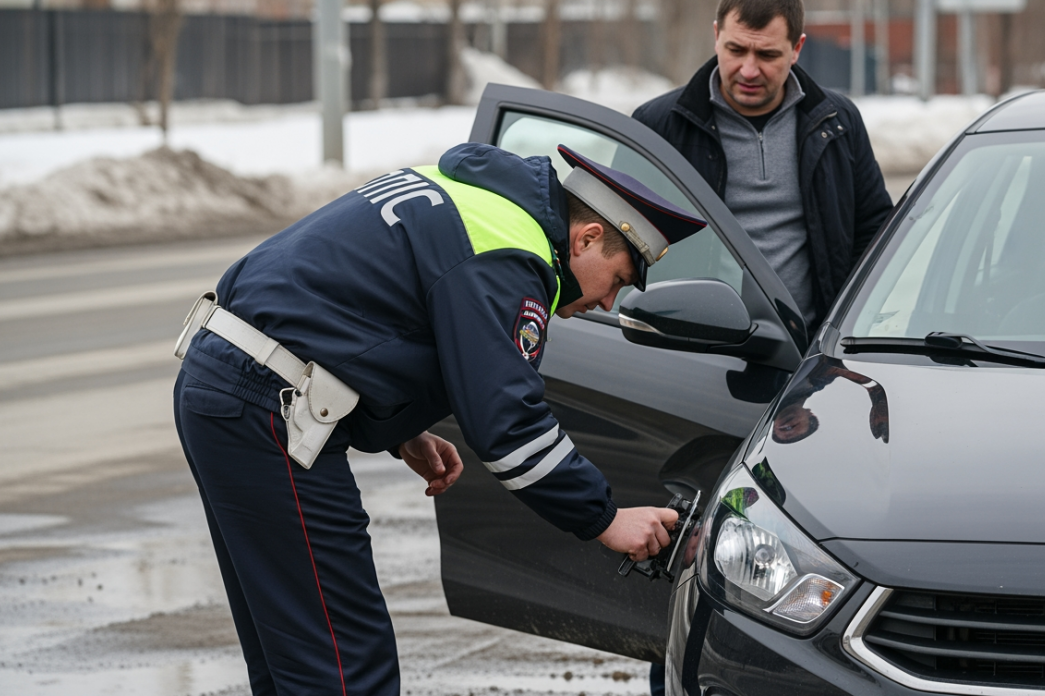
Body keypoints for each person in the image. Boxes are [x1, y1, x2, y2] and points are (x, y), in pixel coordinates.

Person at [171, 142, 706, 696]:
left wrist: (401, 429)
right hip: (265, 407)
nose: (609, 302)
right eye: (617, 279)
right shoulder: (511, 249)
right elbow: (509, 424)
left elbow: (362, 306)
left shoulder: (477, 199)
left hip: (228, 382)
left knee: (294, 658)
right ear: (587, 237)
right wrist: (605, 519)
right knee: (343, 666)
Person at [633, 0, 894, 334]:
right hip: (695, 346)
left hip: (812, 349)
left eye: (767, 55)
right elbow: (624, 244)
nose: (749, 70)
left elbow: (874, 232)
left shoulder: (839, 122)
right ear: (716, 36)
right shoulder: (657, 126)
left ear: (796, 48)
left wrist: (843, 328)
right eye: (736, 50)